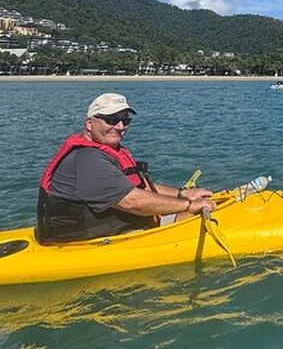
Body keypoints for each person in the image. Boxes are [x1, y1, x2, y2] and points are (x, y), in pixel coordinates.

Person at [36, 93, 216, 243]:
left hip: (127, 226)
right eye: (111, 120)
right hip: (92, 243)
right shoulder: (88, 159)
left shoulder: (106, 151)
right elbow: (132, 201)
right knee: (193, 216)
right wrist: (190, 205)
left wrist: (182, 194)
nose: (120, 126)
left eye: (125, 120)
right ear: (89, 123)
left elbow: (138, 186)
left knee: (197, 210)